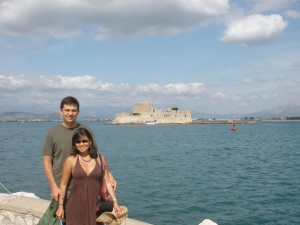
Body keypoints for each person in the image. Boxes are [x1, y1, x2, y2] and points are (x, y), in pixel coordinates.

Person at [42, 96, 116, 201]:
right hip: (62, 188)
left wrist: (108, 174)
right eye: (67, 110)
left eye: (73, 110)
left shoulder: (86, 130)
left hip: (87, 187)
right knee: (62, 216)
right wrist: (53, 186)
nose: (70, 113)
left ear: (78, 112)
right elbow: (47, 161)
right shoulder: (52, 133)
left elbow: (95, 156)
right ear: (61, 111)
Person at [55, 127, 122, 224]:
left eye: (84, 141)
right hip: (75, 207)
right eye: (78, 142)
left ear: (90, 142)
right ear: (74, 144)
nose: (81, 144)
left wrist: (115, 203)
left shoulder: (101, 159)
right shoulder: (71, 160)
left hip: (95, 208)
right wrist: (60, 206)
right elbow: (63, 185)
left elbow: (108, 183)